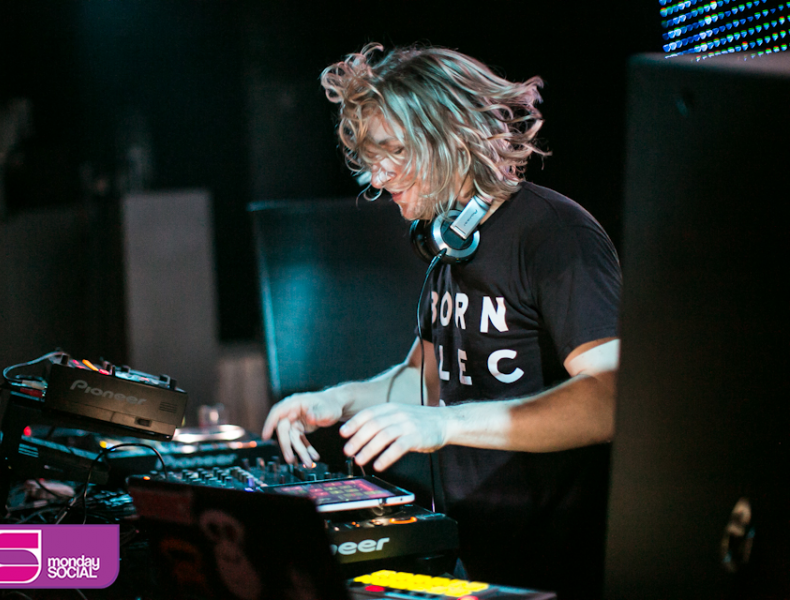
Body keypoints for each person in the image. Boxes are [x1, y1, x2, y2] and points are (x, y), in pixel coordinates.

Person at [262, 43, 621, 599]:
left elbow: (611, 398)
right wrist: (337, 400)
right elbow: (423, 378)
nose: (376, 176)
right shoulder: (449, 244)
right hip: (475, 554)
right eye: (371, 157)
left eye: (394, 152)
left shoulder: (556, 235)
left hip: (557, 567)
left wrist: (446, 425)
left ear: (452, 138)